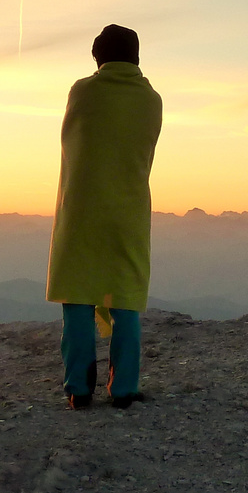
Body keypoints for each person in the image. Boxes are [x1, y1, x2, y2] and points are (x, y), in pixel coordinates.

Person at [46, 25, 163, 409]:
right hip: (127, 212)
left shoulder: (82, 91)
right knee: (125, 299)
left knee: (79, 296)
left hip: (81, 211)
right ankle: (123, 388)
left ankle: (79, 389)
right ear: (137, 57)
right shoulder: (151, 99)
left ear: (98, 57)